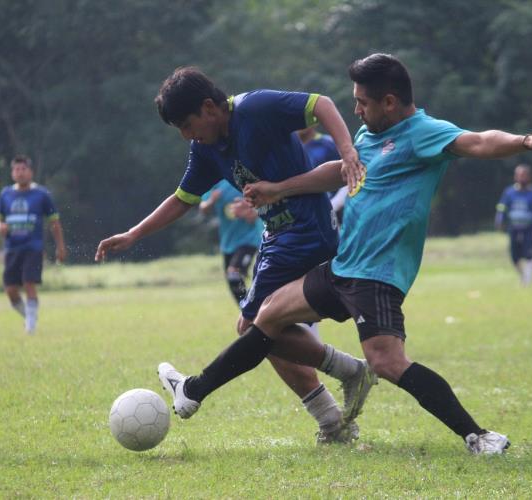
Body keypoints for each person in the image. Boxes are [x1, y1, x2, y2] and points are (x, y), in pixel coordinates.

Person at [158, 53, 532, 454]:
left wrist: (526, 141)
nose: (354, 110)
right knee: (263, 317)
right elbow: (336, 173)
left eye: (360, 102)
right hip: (342, 267)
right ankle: (193, 391)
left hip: (377, 274)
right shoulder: (367, 137)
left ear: (389, 102)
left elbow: (480, 141)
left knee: (389, 362)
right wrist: (279, 188)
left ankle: (478, 435)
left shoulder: (423, 133)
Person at [95, 67, 374, 443]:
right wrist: (134, 233)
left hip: (307, 233)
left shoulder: (256, 108)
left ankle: (344, 382)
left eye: (186, 124)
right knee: (261, 329)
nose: (185, 135)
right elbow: (183, 199)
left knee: (254, 330)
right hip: (277, 238)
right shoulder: (206, 148)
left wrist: (347, 151)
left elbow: (319, 104)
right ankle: (335, 412)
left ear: (209, 107)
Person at [0, 155, 66, 334]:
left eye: (24, 169)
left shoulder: (41, 194)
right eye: (17, 169)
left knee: (29, 283)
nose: (20, 172)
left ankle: (30, 328)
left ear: (31, 172)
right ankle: (29, 316)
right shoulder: (5, 194)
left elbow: (54, 223)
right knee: (10, 290)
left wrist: (60, 246)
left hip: (33, 247)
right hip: (12, 248)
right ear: (12, 173)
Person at [199, 179, 263, 304]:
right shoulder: (216, 183)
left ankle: (251, 310)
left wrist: (251, 213)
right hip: (228, 242)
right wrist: (212, 200)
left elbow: (261, 207)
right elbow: (203, 208)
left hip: (249, 238)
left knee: (234, 275)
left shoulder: (243, 179)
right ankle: (249, 311)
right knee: (232, 281)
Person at [495, 164, 532, 285]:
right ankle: (523, 275)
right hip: (513, 228)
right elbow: (501, 208)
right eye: (518, 175)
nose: (521, 177)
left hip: (530, 228)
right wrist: (499, 220)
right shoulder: (509, 192)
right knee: (514, 256)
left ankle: (528, 282)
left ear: (529, 177)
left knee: (528, 254)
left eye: (524, 175)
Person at [297, 127, 348, 223]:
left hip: (334, 216)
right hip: (306, 217)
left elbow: (348, 175)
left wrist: (333, 205)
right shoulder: (290, 149)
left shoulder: (328, 143)